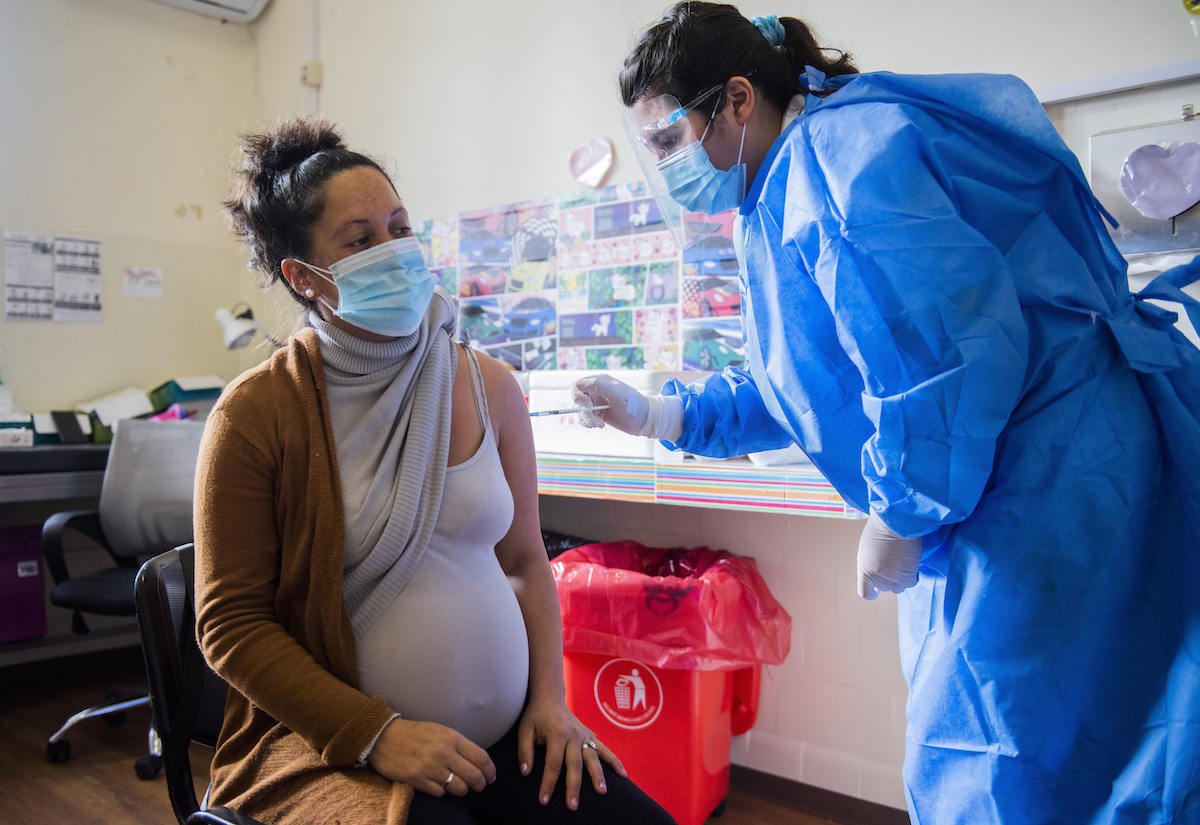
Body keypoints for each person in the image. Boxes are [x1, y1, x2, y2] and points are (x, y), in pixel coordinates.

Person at [575, 4, 1200, 823]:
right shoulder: (782, 190)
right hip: (1010, 468)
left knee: (1021, 757)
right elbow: (811, 383)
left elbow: (948, 355)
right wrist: (663, 414)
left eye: (666, 142)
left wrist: (905, 510)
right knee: (1068, 741)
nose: (663, 168)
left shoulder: (835, 161)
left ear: (735, 99)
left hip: (1049, 471)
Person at [195, 118, 675, 825]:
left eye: (398, 226)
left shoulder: (489, 386)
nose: (394, 252)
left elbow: (525, 560)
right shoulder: (256, 414)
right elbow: (231, 624)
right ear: (303, 278)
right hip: (341, 746)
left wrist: (549, 698)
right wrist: (376, 734)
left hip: (510, 738)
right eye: (359, 241)